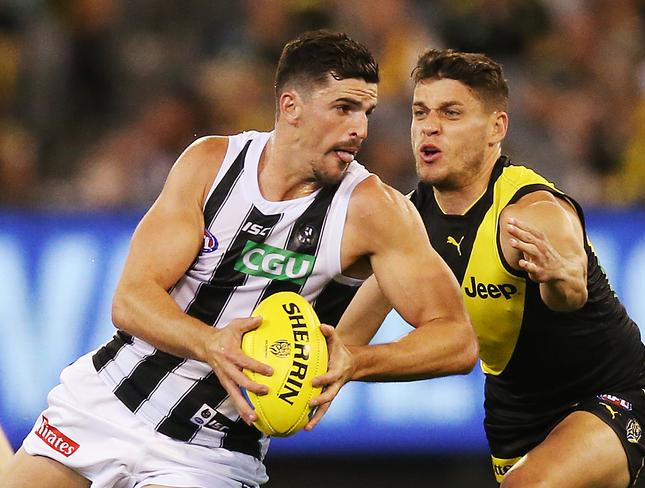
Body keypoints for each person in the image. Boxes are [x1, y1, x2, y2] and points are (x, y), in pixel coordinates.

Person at [2, 32, 477, 488]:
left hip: (210, 451)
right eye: (344, 108)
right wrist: (212, 344)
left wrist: (358, 360)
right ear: (291, 106)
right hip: (106, 401)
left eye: (367, 111)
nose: (360, 129)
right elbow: (131, 300)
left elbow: (456, 340)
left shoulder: (374, 210)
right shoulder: (210, 163)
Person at [337, 48, 645, 488]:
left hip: (611, 396)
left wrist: (559, 278)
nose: (430, 126)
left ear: (496, 128)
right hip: (515, 422)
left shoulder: (532, 210)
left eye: (451, 113)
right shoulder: (407, 226)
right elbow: (344, 343)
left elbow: (571, 292)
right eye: (420, 112)